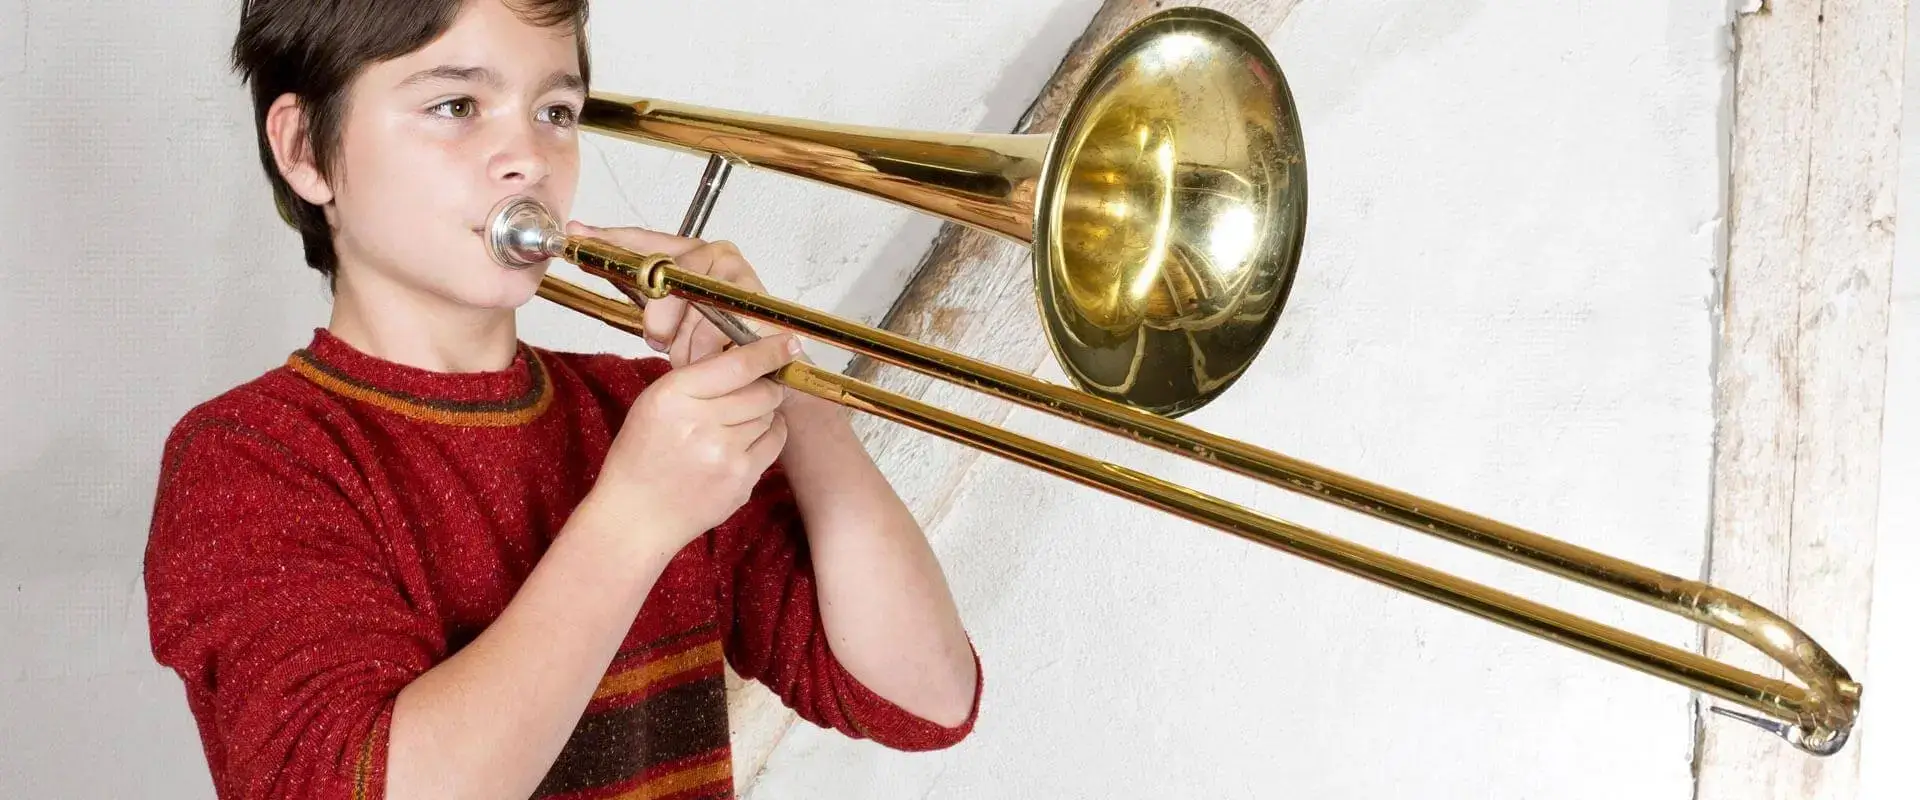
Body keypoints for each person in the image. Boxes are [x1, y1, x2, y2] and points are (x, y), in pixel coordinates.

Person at [142, 1, 982, 798]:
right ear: (305, 152)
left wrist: (784, 378)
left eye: (556, 112)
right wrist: (634, 518)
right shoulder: (252, 456)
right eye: (456, 104)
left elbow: (923, 696)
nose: (530, 160)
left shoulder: (643, 418)